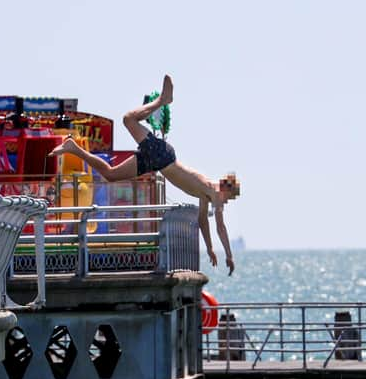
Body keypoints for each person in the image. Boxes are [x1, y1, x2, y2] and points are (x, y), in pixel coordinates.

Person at [49, 75, 240, 275]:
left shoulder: (206, 194)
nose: (225, 202)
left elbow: (203, 221)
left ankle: (73, 148)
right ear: (227, 189)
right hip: (163, 157)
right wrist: (229, 254)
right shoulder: (215, 191)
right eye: (230, 196)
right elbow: (221, 228)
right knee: (128, 119)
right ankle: (162, 100)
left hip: (157, 161)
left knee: (110, 175)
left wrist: (209, 248)